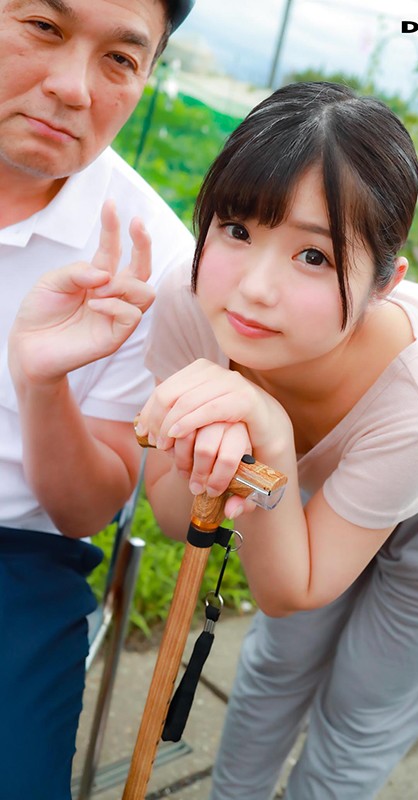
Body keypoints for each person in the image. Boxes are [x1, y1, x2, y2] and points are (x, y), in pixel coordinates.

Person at [136, 81, 418, 800]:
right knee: (276, 666)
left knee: (363, 708)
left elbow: (296, 588)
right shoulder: (190, 302)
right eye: (236, 229)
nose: (254, 289)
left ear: (385, 284)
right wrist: (222, 454)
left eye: (314, 256)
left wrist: (270, 440)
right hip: (341, 466)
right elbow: (175, 518)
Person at [0, 1, 195, 798]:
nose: (73, 88)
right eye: (43, 27)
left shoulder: (153, 265)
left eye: (119, 59)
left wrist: (43, 382)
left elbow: (85, 509)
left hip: (14, 558)